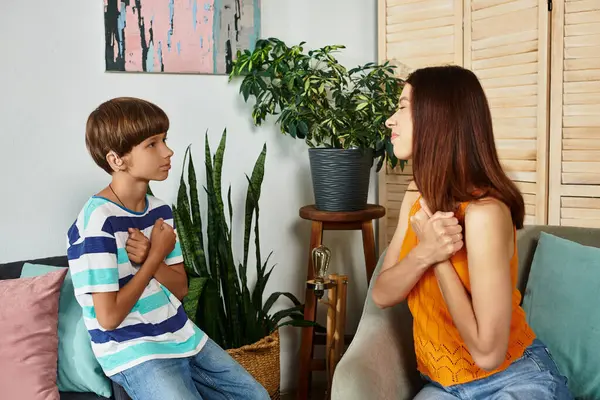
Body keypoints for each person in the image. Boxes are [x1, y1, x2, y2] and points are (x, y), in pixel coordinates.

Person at [372, 66, 573, 399]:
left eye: (403, 106)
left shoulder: (485, 213)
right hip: (442, 386)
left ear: (437, 117)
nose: (390, 120)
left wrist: (439, 259)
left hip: (513, 379)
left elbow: (488, 354)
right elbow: (382, 293)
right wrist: (425, 251)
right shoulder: (416, 194)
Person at [66, 97, 269, 400]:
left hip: (182, 335)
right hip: (133, 351)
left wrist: (151, 255)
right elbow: (108, 319)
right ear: (116, 160)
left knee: (256, 397)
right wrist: (156, 255)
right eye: (152, 144)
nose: (168, 151)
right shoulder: (97, 222)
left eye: (164, 140)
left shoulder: (160, 211)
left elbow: (181, 288)